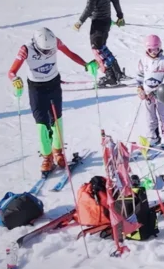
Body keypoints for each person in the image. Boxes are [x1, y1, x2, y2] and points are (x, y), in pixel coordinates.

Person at [7, 28, 98, 175]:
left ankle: (58, 152)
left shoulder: (55, 42)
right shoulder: (26, 49)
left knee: (57, 119)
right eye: (45, 51)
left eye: (50, 50)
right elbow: (11, 72)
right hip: (36, 88)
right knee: (41, 124)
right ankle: (47, 157)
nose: (49, 53)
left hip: (53, 84)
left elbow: (70, 54)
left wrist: (86, 64)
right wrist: (15, 79)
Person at [72, 0, 126, 87]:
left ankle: (110, 76)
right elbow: (115, 0)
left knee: (97, 49)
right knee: (102, 48)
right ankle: (116, 72)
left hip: (97, 22)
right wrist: (120, 16)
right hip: (106, 21)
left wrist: (80, 22)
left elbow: (89, 8)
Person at [136, 35, 164, 149]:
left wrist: (163, 88)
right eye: (151, 50)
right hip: (147, 95)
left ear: (160, 48)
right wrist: (140, 89)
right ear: (146, 49)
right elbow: (139, 76)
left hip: (160, 94)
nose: (154, 52)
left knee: (162, 115)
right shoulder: (143, 60)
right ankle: (153, 136)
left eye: (156, 49)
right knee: (150, 116)